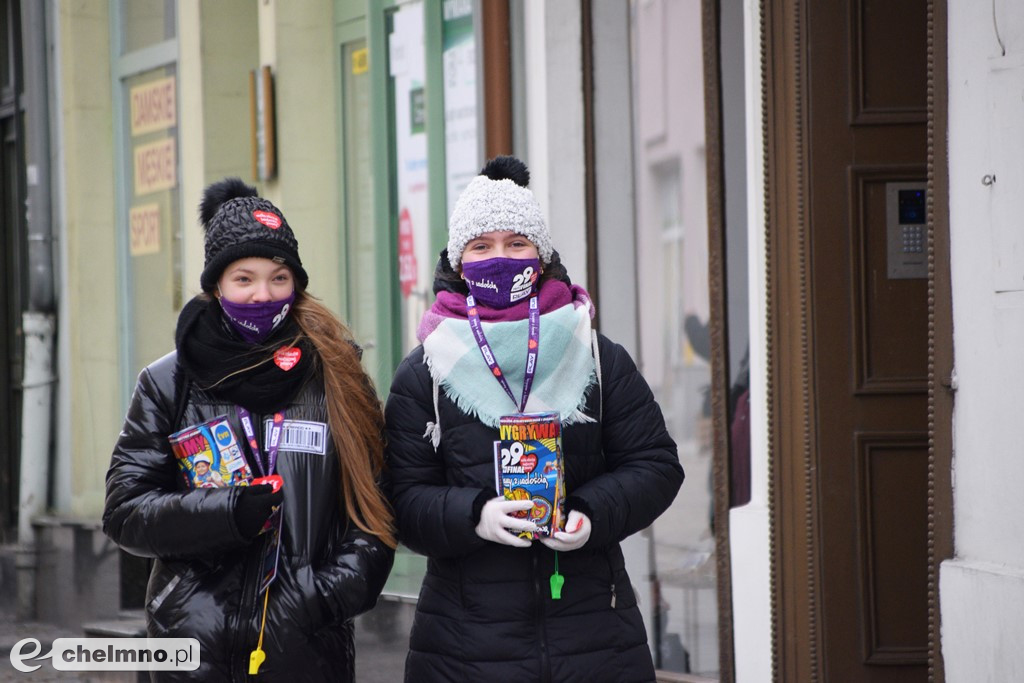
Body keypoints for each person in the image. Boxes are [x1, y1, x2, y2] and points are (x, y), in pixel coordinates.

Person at [384, 156, 685, 682]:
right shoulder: (427, 370)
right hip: (465, 650)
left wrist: (590, 515)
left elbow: (656, 466)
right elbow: (401, 497)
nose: (500, 258)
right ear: (458, 260)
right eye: (481, 246)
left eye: (517, 243)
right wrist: (475, 515)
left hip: (596, 642)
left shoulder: (594, 355)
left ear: (541, 256)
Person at [103, 178, 396, 681]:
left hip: (306, 652)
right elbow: (125, 512)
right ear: (216, 285)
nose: (263, 294)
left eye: (279, 278)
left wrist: (319, 599)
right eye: (244, 279)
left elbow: (376, 513)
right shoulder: (168, 382)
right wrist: (226, 513)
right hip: (190, 649)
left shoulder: (337, 376)